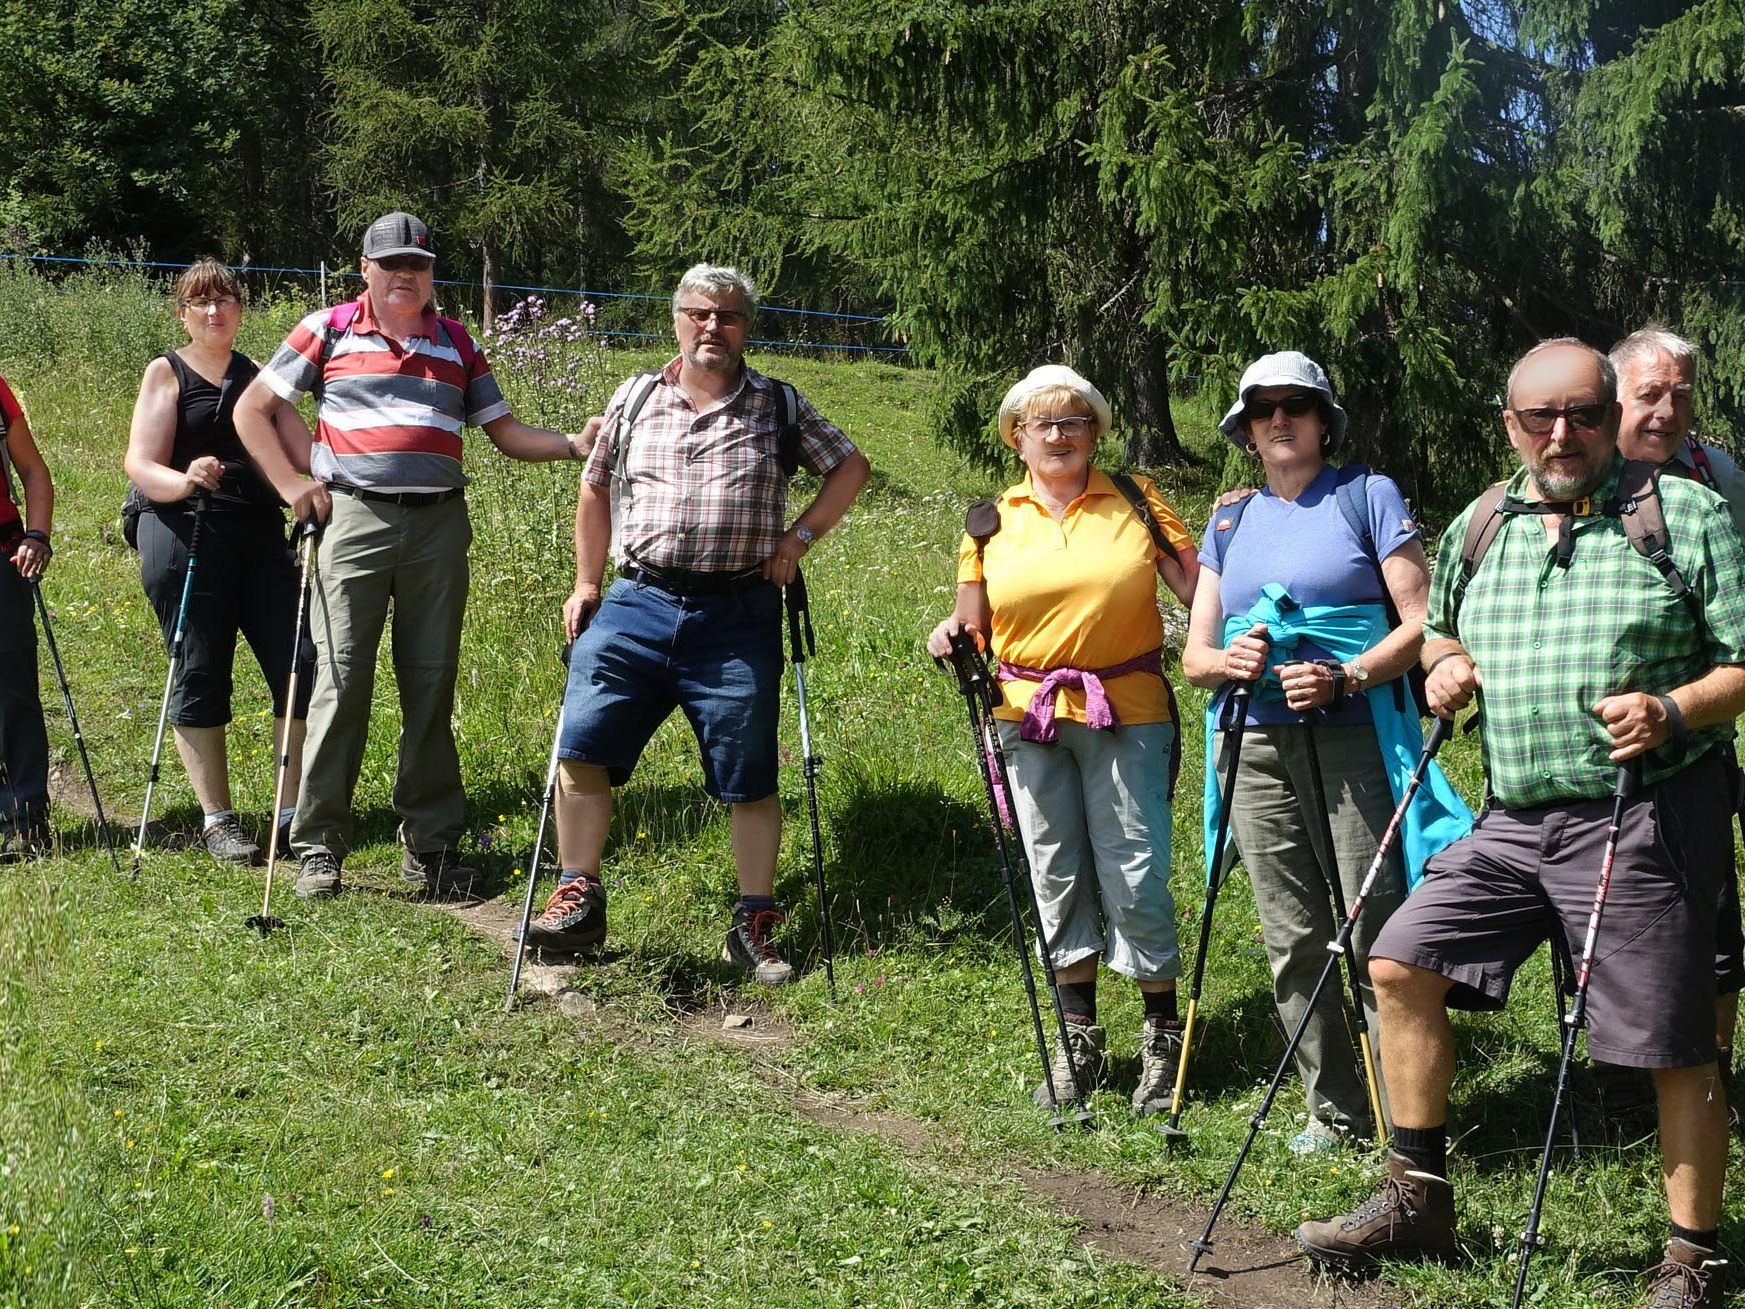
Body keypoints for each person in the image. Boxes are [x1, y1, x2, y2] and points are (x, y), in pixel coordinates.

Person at [1297, 339, 1745, 1309]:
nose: (1560, 432)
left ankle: (1689, 1262)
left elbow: (1742, 661)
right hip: (1512, 818)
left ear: (1608, 414)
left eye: (1581, 413)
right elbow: (1441, 630)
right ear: (1507, 422)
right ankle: (1415, 1198)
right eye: (1538, 415)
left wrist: (1670, 709)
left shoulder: (1681, 516)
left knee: (1671, 1039)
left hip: (1641, 810)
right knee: (1397, 960)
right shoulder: (1481, 521)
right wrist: (1442, 668)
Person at [522, 263, 870, 984]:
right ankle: (577, 896)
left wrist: (797, 539)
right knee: (583, 744)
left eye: (730, 315)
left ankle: (753, 918)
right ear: (676, 319)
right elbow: (594, 489)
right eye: (700, 313)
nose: (714, 326)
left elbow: (849, 467)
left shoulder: (779, 405)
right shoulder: (634, 395)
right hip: (636, 600)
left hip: (737, 609)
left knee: (749, 771)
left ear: (747, 326)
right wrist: (586, 581)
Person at [233, 212, 588, 900]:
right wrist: (291, 485)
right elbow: (253, 409)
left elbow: (505, 432)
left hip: (438, 526)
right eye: (391, 263)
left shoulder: (457, 339)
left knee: (431, 684)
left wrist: (574, 443)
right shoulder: (326, 327)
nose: (405, 274)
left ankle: (429, 844)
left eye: (417, 265)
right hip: (351, 518)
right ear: (364, 268)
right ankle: (318, 846)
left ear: (431, 273)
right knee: (339, 684)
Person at [1180, 350, 1469, 1153]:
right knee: (1291, 932)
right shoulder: (1228, 519)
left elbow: (1420, 622)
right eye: (1263, 408)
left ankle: (1405, 1114)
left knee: (1380, 928)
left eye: (1295, 405)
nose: (1279, 419)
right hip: (1255, 743)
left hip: (1353, 741)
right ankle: (1334, 1109)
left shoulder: (1365, 494)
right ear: (1244, 428)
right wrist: (1228, 663)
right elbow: (1195, 655)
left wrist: (1344, 675)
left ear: (1322, 419)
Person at [925, 364, 1198, 1114]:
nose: (1057, 434)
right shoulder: (989, 519)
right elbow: (972, 623)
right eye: (1040, 423)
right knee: (1054, 869)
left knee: (1135, 869)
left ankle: (1161, 1032)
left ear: (1095, 432)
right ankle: (1078, 1034)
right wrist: (951, 636)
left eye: (1073, 420)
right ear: (1016, 438)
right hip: (1025, 713)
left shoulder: (1138, 501)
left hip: (1128, 705)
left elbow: (1199, 595)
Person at [123, 259, 316, 864]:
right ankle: (218, 819)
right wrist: (184, 480)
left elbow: (306, 451)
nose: (214, 312)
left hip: (259, 537)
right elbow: (139, 463)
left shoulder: (262, 376)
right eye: (200, 302)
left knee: (299, 664)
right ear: (182, 312)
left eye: (225, 301)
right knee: (201, 669)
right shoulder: (167, 372)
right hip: (185, 532)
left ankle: (291, 813)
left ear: (240, 309)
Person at [1611, 327, 1744, 1109]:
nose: (1666, 411)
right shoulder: (1572, 475)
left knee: (1712, 908)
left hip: (1697, 731)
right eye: (1649, 394)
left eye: (1680, 395)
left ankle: (1711, 1071)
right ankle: (1620, 1073)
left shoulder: (1718, 477)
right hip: (1595, 738)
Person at [0, 373, 52, 860]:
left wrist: (37, 535)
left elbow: (33, 471)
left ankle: (25, 816)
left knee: (13, 689)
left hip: (3, 553)